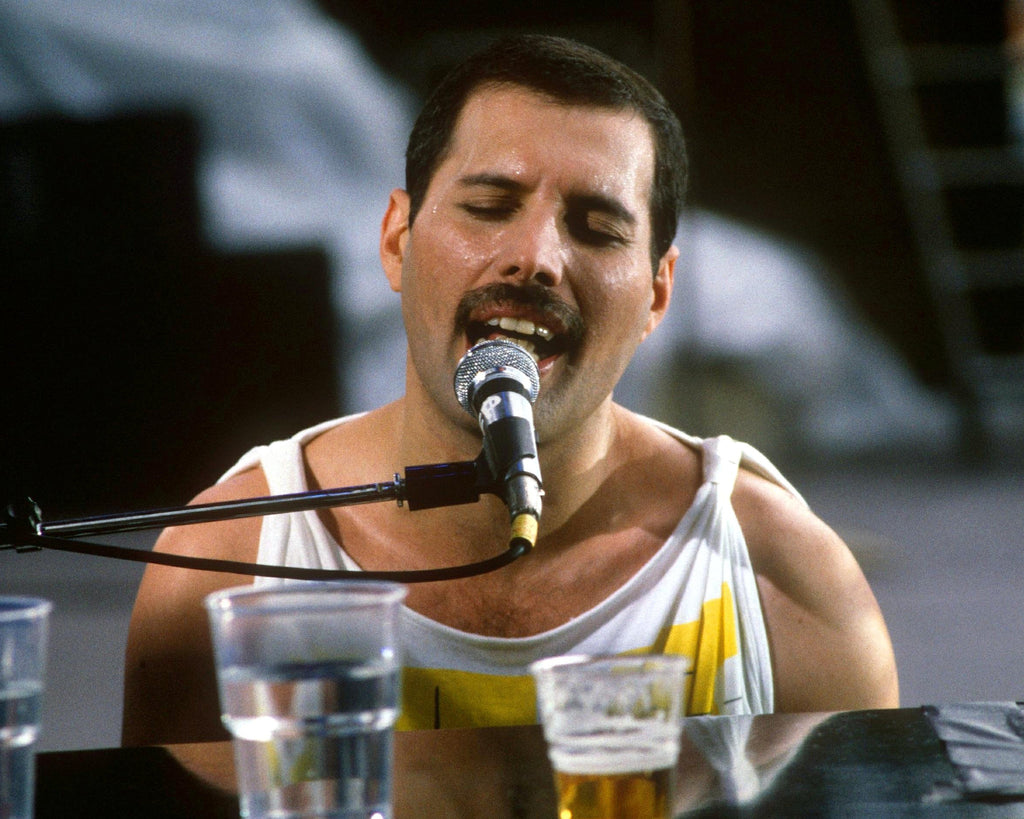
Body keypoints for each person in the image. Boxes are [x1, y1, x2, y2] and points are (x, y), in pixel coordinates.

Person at [122, 34, 898, 746]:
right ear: (397, 243)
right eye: (489, 207)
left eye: (597, 227)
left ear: (659, 295)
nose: (535, 257)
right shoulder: (224, 567)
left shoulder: (780, 578)